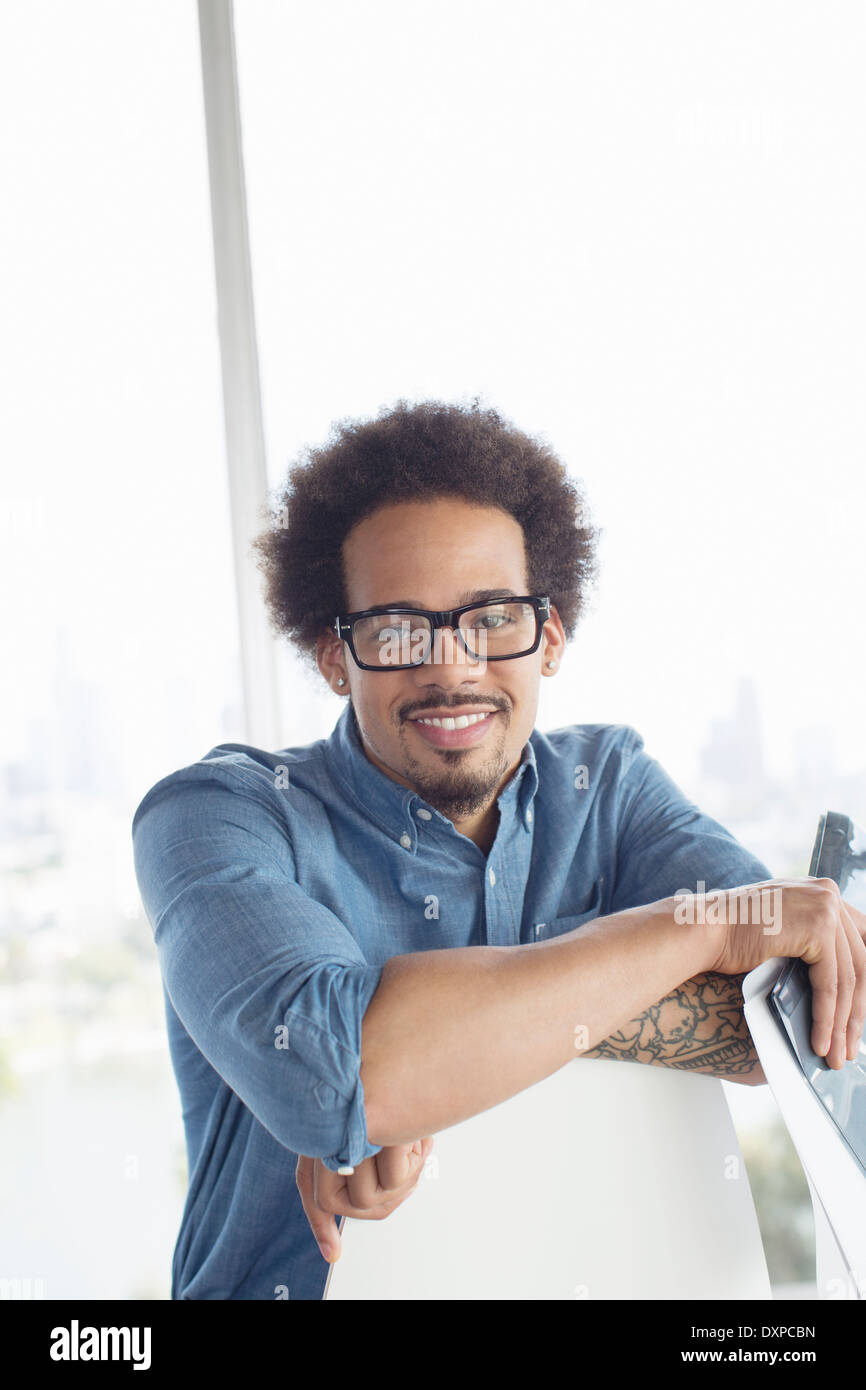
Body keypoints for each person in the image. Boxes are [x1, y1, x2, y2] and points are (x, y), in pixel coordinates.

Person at [131, 397, 866, 1301]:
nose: (453, 666)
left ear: (548, 638)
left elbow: (793, 1025)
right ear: (334, 656)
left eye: (493, 618)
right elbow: (337, 1076)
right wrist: (697, 929)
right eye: (398, 630)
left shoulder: (612, 785)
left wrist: (420, 1060)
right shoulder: (217, 816)